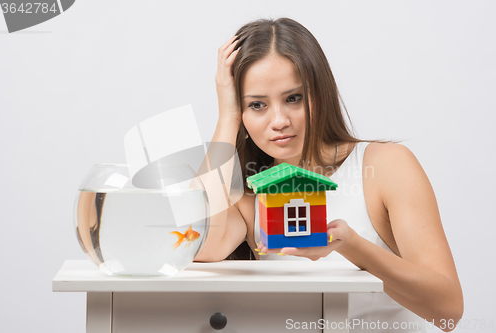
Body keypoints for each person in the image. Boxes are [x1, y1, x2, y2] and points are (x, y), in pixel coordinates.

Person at [195, 17, 463, 332]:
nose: (279, 120)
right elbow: (201, 245)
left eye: (293, 98)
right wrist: (227, 116)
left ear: (320, 93)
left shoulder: (383, 167)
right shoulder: (247, 190)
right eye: (257, 105)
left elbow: (447, 311)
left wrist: (349, 244)